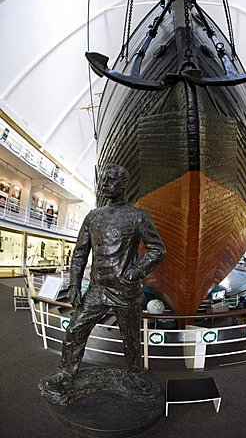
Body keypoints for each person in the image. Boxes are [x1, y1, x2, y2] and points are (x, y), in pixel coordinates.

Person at [45, 164, 166, 389]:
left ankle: (135, 374)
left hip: (126, 291)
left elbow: (158, 250)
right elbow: (80, 252)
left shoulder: (138, 217)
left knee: (131, 338)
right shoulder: (93, 216)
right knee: (75, 329)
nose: (105, 184)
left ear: (124, 184)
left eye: (111, 180)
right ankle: (65, 372)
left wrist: (137, 271)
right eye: (104, 180)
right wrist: (74, 284)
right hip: (96, 290)